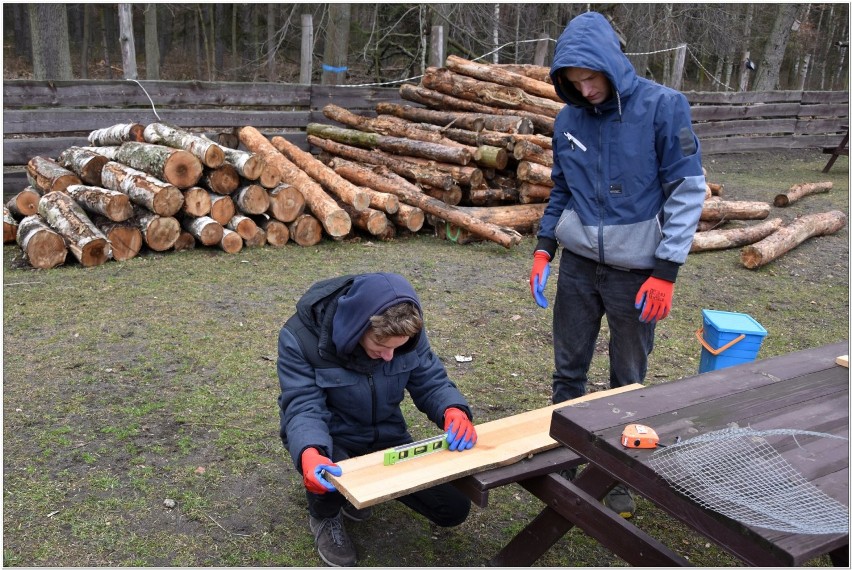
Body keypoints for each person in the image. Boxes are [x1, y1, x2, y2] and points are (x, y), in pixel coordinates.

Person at [528, 12, 706, 518]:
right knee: (568, 370)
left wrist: (667, 270)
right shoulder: (568, 120)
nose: (585, 90)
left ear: (611, 64)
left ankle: (619, 474)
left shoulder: (663, 107)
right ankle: (563, 460)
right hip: (579, 267)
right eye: (573, 83)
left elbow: (686, 191)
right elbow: (562, 189)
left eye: (591, 78)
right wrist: (545, 247)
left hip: (639, 272)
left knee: (627, 377)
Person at [277, 272, 477, 567]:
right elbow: (303, 406)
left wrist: (453, 410)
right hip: (332, 440)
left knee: (452, 509)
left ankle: (366, 489)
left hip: (387, 436)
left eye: (397, 348)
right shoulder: (300, 338)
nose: (389, 357)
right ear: (355, 328)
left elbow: (430, 381)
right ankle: (325, 514)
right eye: (381, 347)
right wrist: (309, 452)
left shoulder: (406, 333)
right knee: (328, 480)